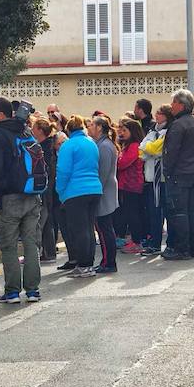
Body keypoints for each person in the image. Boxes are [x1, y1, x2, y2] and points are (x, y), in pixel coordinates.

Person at [0, 97, 42, 302]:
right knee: (30, 243)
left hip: (10, 195)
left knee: (8, 245)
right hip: (32, 193)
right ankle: (33, 290)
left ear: (1, 115)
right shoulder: (25, 130)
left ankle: (12, 292)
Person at [56, 116, 102, 278]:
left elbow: (63, 171)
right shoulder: (92, 143)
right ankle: (88, 264)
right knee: (89, 228)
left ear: (68, 130)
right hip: (94, 188)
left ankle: (82, 265)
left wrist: (60, 191)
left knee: (79, 229)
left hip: (75, 191)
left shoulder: (68, 145)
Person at [161, 89, 194, 261]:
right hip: (193, 171)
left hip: (179, 173)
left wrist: (167, 171)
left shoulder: (178, 124)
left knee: (179, 212)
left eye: (173, 103)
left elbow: (171, 152)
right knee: (192, 211)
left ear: (181, 104)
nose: (171, 106)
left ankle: (181, 248)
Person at [87, 116, 119, 273]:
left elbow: (103, 173)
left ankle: (109, 262)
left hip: (103, 192)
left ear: (99, 127)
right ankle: (107, 260)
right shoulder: (101, 144)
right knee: (103, 228)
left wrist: (95, 192)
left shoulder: (104, 146)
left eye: (92, 124)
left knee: (104, 228)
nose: (89, 127)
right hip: (103, 190)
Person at [139, 104, 172, 256]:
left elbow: (155, 150)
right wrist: (149, 149)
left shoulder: (168, 131)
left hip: (163, 178)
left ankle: (165, 243)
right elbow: (142, 150)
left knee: (163, 212)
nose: (157, 115)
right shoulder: (153, 130)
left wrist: (150, 149)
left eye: (160, 113)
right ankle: (154, 242)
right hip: (151, 177)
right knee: (153, 212)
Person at [115, 117, 146, 254]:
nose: (121, 133)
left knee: (133, 213)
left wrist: (118, 159)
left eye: (124, 130)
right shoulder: (127, 145)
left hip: (132, 184)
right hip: (126, 184)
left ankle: (137, 241)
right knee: (129, 212)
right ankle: (135, 239)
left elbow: (122, 163)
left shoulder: (134, 146)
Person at [32, 117, 60, 262]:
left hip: (46, 188)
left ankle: (48, 252)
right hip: (50, 187)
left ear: (40, 131)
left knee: (45, 219)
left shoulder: (43, 148)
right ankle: (49, 250)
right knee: (48, 219)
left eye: (34, 127)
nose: (32, 130)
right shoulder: (49, 146)